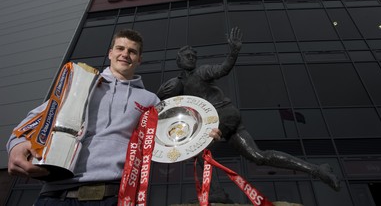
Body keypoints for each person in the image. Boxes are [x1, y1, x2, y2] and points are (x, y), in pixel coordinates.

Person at [7, 29, 222, 205]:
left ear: (139, 59)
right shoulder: (80, 83)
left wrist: (202, 135)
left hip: (113, 195)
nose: (125, 54)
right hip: (56, 194)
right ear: (110, 53)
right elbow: (35, 120)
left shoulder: (150, 100)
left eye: (132, 51)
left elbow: (170, 141)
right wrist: (16, 145)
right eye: (120, 48)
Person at [157, 27, 340, 202]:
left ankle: (218, 192)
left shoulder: (202, 71)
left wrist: (233, 53)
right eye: (187, 56)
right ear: (178, 60)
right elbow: (162, 108)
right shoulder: (175, 84)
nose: (192, 58)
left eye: (194, 56)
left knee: (198, 150)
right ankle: (319, 170)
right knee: (257, 156)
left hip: (223, 114)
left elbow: (223, 69)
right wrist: (158, 94)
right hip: (221, 120)